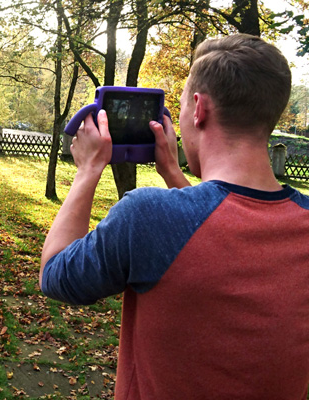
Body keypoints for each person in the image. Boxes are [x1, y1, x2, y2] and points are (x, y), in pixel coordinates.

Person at [39, 33, 309, 399]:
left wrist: (88, 170)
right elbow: (224, 223)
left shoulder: (148, 215)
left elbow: (56, 274)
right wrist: (172, 173)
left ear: (199, 108)